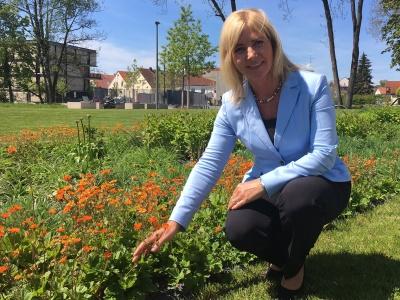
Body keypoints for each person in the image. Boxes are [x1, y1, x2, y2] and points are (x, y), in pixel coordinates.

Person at [133, 8, 351, 299]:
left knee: (298, 198)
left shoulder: (312, 86)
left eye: (258, 43)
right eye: (239, 49)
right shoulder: (232, 104)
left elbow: (324, 154)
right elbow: (209, 164)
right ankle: (286, 257)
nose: (251, 54)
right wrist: (176, 221)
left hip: (323, 183)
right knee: (240, 228)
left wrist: (263, 183)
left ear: (273, 44)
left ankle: (292, 273)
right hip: (274, 191)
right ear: (230, 57)